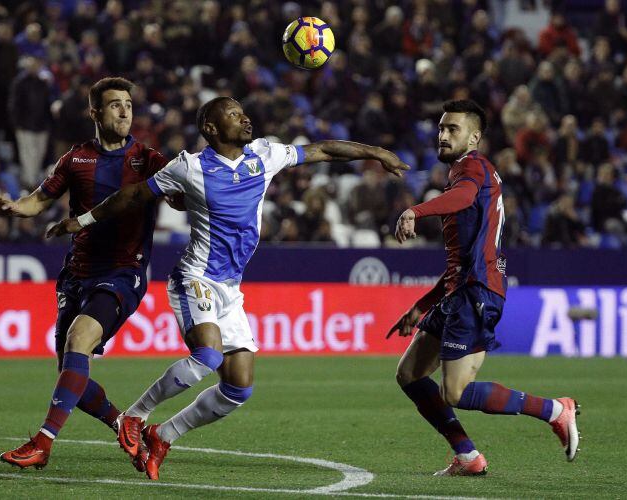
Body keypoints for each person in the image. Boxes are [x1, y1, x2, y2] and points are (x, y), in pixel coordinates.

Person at [47, 96, 409, 480]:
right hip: (195, 278)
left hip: (229, 288)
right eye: (234, 115)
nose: (245, 119)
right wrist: (83, 220)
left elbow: (321, 150)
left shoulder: (264, 155)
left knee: (238, 387)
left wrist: (376, 152)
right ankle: (135, 416)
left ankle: (163, 435)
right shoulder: (189, 167)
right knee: (208, 355)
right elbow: (134, 194)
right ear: (211, 128)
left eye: (243, 112)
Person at [0, 77, 171, 469]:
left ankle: (42, 444)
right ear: (95, 113)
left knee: (79, 336)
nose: (124, 111)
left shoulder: (148, 159)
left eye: (128, 104)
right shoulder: (76, 159)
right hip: (76, 274)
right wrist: (13, 207)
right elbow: (38, 201)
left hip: (123, 271)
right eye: (115, 105)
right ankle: (125, 423)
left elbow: (181, 194)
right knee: (71, 372)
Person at [389, 99, 580, 476]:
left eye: (453, 129)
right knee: (409, 373)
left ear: (474, 137)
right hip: (459, 288)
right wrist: (421, 305)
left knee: (455, 393)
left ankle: (556, 410)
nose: (443, 135)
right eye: (441, 128)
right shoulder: (465, 172)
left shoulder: (472, 168)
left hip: (476, 292)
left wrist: (416, 210)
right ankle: (467, 457)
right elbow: (461, 257)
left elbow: (461, 199)